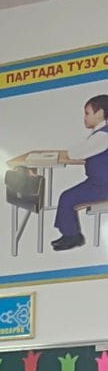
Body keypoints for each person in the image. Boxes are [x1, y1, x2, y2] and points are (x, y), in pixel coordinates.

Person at [51, 94, 108, 252]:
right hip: (98, 181)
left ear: (100, 113)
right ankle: (70, 234)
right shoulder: (100, 133)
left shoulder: (103, 136)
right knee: (67, 196)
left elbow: (74, 153)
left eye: (87, 113)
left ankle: (73, 236)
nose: (84, 118)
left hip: (103, 185)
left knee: (67, 197)